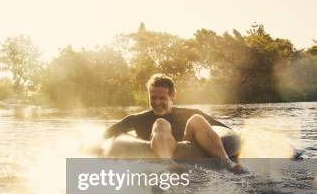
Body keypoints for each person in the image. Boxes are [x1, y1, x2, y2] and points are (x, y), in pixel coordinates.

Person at [103, 74, 244, 173]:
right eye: (153, 98)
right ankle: (167, 165)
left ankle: (226, 163)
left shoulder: (189, 113)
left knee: (197, 119)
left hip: (191, 156)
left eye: (162, 98)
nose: (157, 103)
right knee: (161, 123)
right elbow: (106, 136)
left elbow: (224, 131)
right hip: (158, 157)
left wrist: (235, 147)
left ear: (173, 96)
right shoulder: (136, 119)